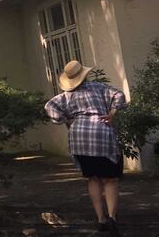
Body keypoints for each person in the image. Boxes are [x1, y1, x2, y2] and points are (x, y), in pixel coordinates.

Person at [44, 60, 128, 236]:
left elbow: (49, 106)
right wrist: (112, 113)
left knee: (92, 179)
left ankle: (101, 220)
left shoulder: (66, 95)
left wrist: (65, 119)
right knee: (110, 179)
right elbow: (119, 95)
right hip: (102, 135)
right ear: (85, 74)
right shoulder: (99, 87)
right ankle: (112, 217)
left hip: (79, 138)